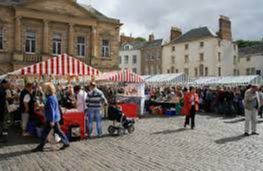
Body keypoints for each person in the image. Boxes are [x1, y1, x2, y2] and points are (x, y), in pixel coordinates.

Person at [32, 82, 69, 152]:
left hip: (51, 119)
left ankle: (41, 146)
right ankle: (66, 142)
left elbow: (52, 110)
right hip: (53, 118)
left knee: (46, 132)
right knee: (55, 131)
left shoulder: (51, 98)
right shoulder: (53, 97)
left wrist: (52, 120)